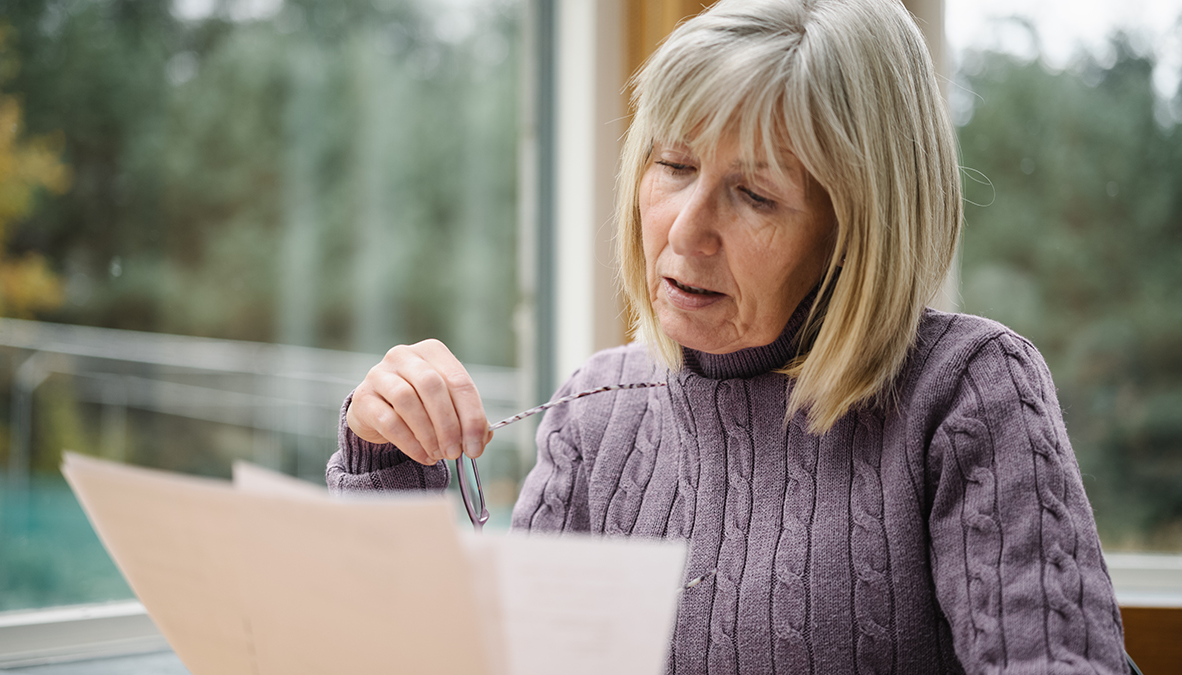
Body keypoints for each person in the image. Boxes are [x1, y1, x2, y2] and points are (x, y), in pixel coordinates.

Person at [327, 0, 1130, 672]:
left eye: (754, 194)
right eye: (674, 166)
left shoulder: (967, 390)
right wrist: (385, 464)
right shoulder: (594, 412)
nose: (686, 231)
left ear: (856, 232)